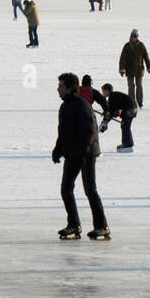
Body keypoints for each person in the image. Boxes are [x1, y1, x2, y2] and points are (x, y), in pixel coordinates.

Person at [53, 72, 109, 240]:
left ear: (70, 88)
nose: (58, 89)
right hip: (72, 153)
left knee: (90, 190)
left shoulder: (81, 105)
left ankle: (102, 226)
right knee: (66, 189)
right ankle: (74, 224)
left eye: (61, 86)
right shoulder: (65, 106)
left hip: (86, 153)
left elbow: (90, 131)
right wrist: (58, 149)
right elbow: (62, 131)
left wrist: (83, 151)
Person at [99, 83, 138, 152]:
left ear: (107, 91)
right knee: (124, 126)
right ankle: (127, 143)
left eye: (103, 91)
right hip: (132, 109)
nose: (103, 93)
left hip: (130, 110)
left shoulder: (112, 97)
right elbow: (114, 110)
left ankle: (127, 144)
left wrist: (105, 121)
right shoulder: (114, 96)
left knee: (125, 126)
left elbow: (112, 111)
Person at [118, 30, 150, 108]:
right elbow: (123, 58)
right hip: (129, 69)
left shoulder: (141, 45)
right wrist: (122, 69)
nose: (133, 38)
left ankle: (140, 101)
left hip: (139, 69)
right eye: (132, 36)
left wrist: (149, 66)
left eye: (135, 36)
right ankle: (131, 101)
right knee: (131, 86)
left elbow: (146, 57)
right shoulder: (127, 45)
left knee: (139, 85)